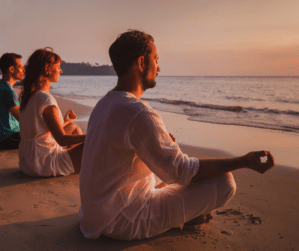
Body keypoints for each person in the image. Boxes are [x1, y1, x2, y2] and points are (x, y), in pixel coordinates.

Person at [79, 30, 275, 240]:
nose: (159, 67)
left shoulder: (104, 104)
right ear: (141, 62)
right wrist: (244, 161)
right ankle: (179, 219)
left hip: (94, 214)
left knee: (169, 174)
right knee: (225, 183)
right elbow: (182, 171)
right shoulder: (139, 113)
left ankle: (179, 215)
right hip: (121, 221)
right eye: (156, 59)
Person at [18, 47, 85, 177]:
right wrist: (94, 135)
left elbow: (40, 131)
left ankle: (75, 159)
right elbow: (62, 139)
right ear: (47, 69)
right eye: (58, 66)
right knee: (98, 142)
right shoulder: (45, 99)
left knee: (73, 127)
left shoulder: (29, 97)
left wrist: (66, 121)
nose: (61, 70)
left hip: (28, 162)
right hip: (44, 163)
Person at [0, 53, 24, 149]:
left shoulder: (2, 86)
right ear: (11, 69)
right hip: (7, 137)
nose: (24, 70)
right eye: (21, 67)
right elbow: (23, 120)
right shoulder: (8, 91)